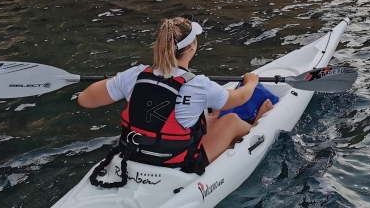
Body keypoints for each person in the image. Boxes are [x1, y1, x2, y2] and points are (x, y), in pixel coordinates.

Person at [78, 17, 273, 182]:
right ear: (191, 47)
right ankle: (257, 127)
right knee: (230, 121)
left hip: (132, 156)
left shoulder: (135, 75)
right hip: (177, 164)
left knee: (209, 118)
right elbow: (240, 97)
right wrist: (251, 81)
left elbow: (84, 99)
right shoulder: (198, 85)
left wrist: (118, 81)